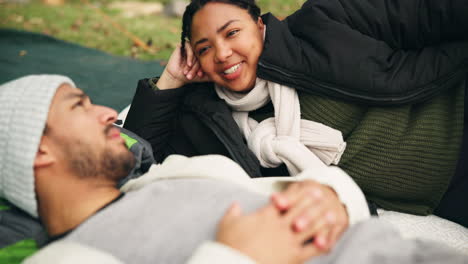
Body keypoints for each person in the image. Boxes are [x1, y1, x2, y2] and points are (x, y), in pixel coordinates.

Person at [2, 75, 467, 264]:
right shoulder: (65, 259)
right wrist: (235, 258)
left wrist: (330, 199)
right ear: (37, 148)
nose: (107, 112)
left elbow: (304, 185)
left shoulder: (168, 173)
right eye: (78, 105)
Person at [123, 0, 468, 227]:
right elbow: (135, 163)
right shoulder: (207, 121)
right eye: (205, 48)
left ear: (259, 26)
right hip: (446, 194)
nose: (223, 53)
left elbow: (430, 13)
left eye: (232, 32)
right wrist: (169, 80)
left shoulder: (323, 22)